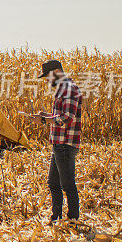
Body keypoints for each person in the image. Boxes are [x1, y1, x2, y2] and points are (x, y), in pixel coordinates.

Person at [30, 60, 83, 223]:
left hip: (66, 144)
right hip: (58, 144)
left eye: (48, 76)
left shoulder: (69, 89)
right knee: (53, 183)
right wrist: (45, 115)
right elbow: (59, 115)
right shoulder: (62, 89)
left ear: (57, 71)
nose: (47, 80)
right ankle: (56, 217)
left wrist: (45, 120)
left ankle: (73, 219)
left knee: (67, 184)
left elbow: (67, 118)